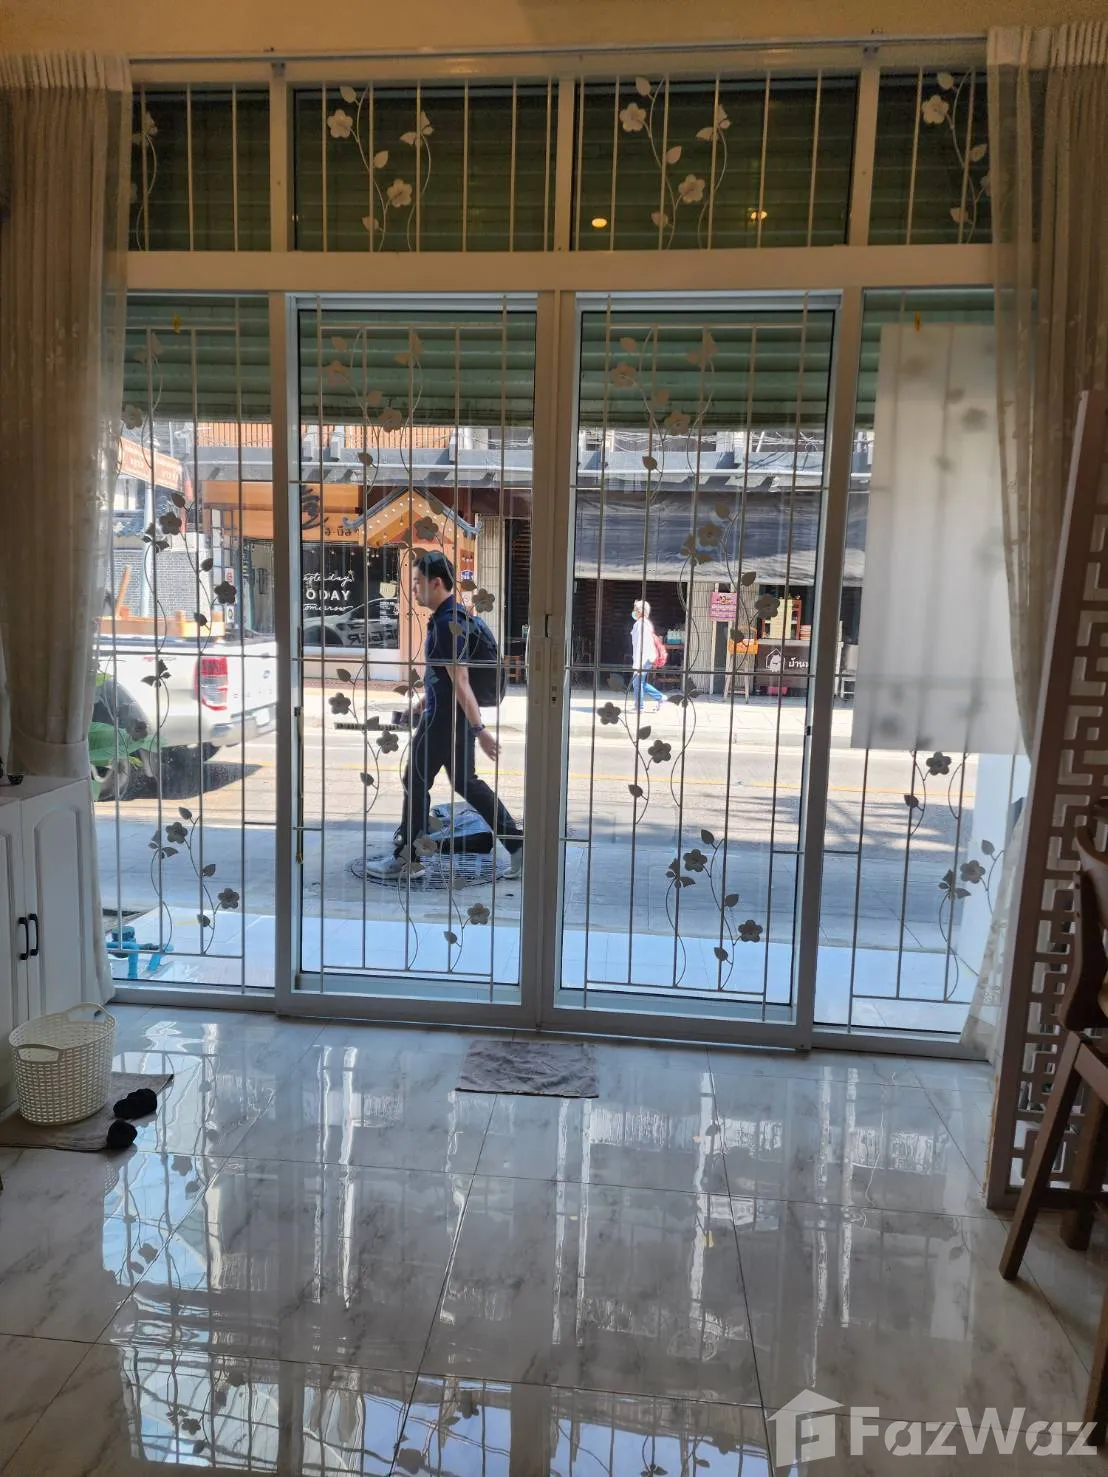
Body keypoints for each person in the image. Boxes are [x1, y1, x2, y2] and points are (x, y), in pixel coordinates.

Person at [383, 550, 523, 881]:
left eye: (417, 581)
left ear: (436, 583)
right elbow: (446, 679)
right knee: (465, 782)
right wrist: (423, 703)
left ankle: (409, 860)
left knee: (415, 781)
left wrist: (480, 729)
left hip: (443, 721)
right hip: (449, 716)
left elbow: (460, 680)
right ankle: (518, 846)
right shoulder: (452, 617)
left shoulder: (448, 624)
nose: (413, 589)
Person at [630, 598, 665, 712]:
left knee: (637, 683)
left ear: (640, 611)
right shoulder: (645, 623)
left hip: (643, 659)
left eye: (635, 609)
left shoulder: (640, 624)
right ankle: (660, 697)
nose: (634, 611)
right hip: (647, 658)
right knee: (641, 683)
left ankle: (639, 707)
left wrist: (638, 663)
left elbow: (640, 644)